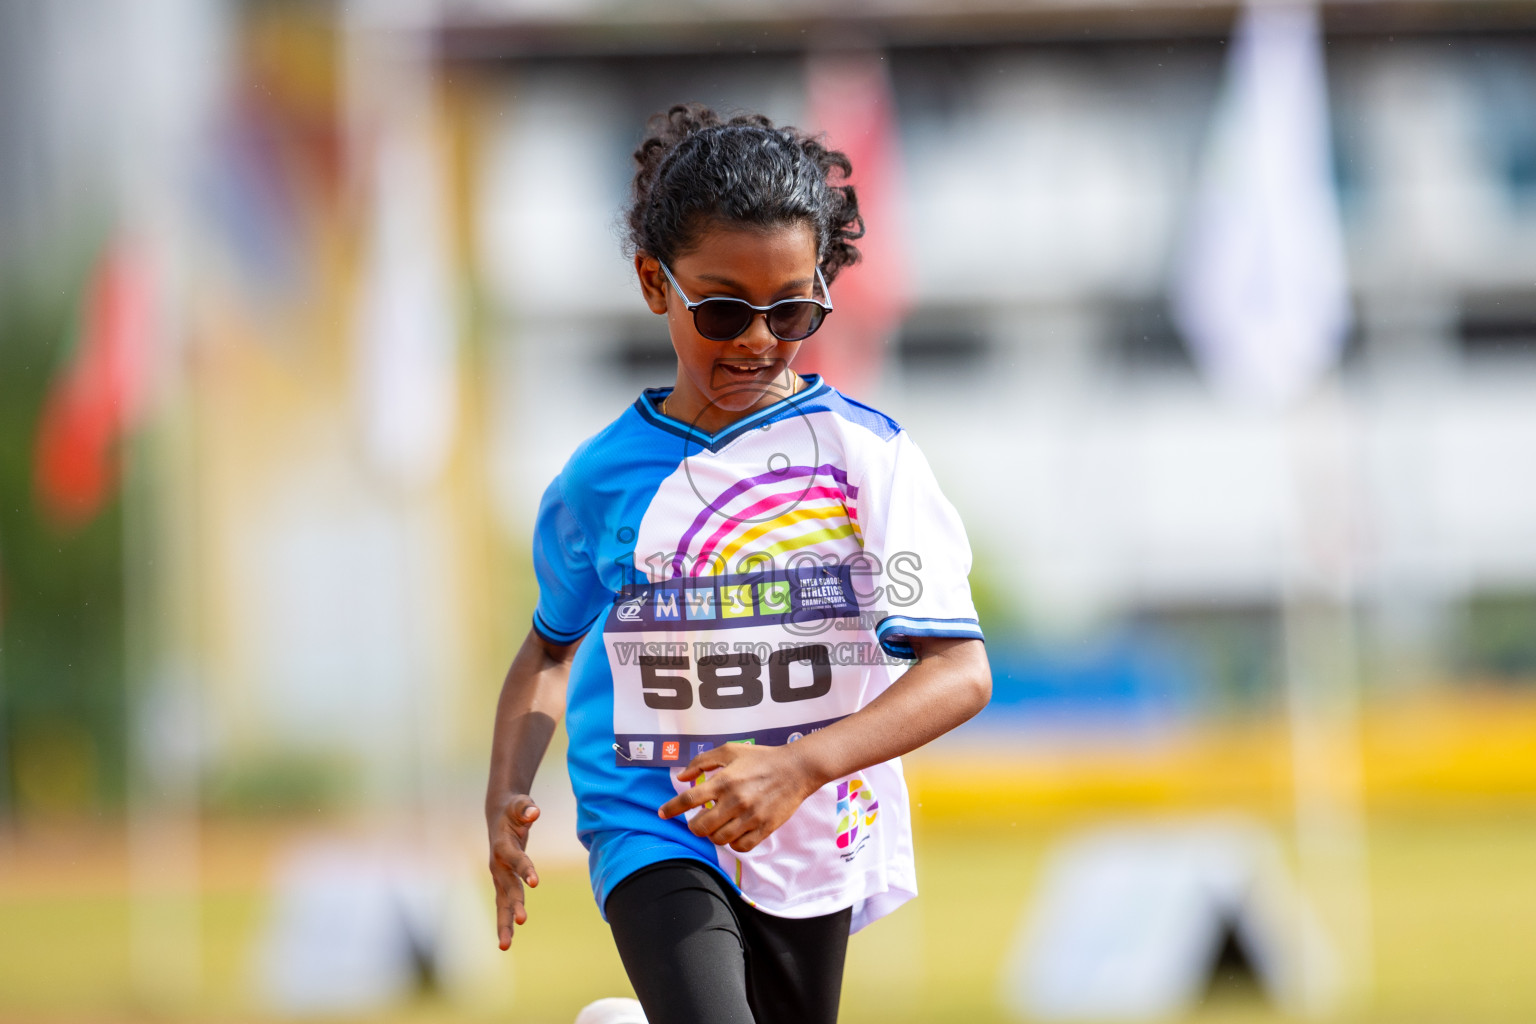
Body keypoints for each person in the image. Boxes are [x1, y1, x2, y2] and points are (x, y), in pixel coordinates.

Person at [485, 103, 992, 1024]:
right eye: (723, 309)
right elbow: (550, 650)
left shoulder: (867, 459)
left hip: (814, 823)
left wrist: (799, 767)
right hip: (652, 816)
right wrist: (506, 794)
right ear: (654, 283)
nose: (759, 339)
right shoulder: (600, 482)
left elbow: (959, 671)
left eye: (792, 310)